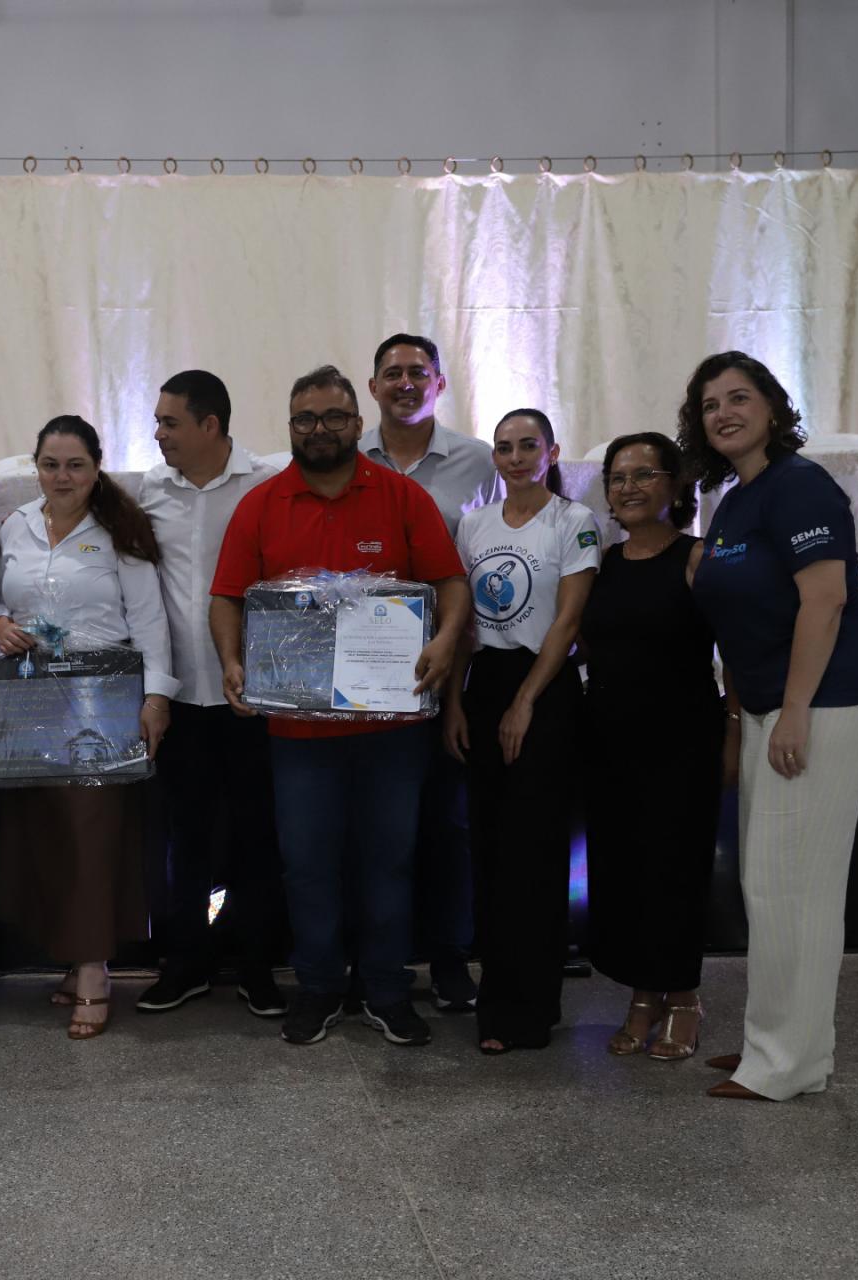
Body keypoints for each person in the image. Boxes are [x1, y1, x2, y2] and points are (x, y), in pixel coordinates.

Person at [209, 365, 470, 1048]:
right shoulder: (261, 504)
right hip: (297, 729)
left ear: (358, 423)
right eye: (306, 419)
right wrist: (232, 660)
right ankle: (319, 985)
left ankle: (387, 988)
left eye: (332, 416)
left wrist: (445, 640)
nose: (319, 429)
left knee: (390, 860)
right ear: (290, 427)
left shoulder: (402, 496)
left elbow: (449, 582)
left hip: (392, 726)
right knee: (307, 864)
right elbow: (227, 596)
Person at [680, 352, 858, 1102]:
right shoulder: (737, 498)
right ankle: (778, 1043)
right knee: (769, 883)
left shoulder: (800, 485)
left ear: (772, 407)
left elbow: (825, 599)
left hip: (826, 701)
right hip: (773, 704)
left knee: (796, 887)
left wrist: (796, 709)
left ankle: (787, 1063)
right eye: (710, 404)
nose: (724, 413)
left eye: (739, 397)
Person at [0, 415, 176, 1039]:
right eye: (51, 465)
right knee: (47, 836)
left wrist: (157, 699)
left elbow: (149, 621)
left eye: (75, 465)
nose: (62, 477)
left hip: (102, 700)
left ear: (97, 467)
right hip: (30, 701)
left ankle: (95, 969)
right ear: (36, 467)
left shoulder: (120, 528)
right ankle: (73, 957)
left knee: (93, 836)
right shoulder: (16, 525)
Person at [443, 409, 600, 1054]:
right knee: (489, 847)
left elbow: (568, 621)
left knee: (534, 852)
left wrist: (526, 701)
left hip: (546, 687)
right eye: (504, 448)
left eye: (528, 445)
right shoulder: (474, 525)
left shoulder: (574, 521)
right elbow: (464, 625)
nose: (515, 457)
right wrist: (455, 703)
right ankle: (495, 1005)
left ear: (551, 452)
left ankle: (532, 1008)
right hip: (485, 684)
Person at [135, 370, 288, 1018]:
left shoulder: (266, 485)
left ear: (210, 425)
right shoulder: (151, 490)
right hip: (180, 696)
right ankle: (187, 963)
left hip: (252, 696)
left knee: (257, 835)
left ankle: (257, 966)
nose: (158, 434)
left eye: (169, 422)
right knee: (186, 837)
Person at [360, 333, 501, 1012]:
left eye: (419, 372)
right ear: (373, 387)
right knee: (371, 829)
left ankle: (449, 958)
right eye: (393, 373)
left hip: (451, 665)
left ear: (440, 384)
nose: (405, 383)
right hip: (361, 675)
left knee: (446, 825)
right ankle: (373, 961)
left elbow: (492, 553)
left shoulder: (479, 462)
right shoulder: (347, 458)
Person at [579, 431, 725, 1060]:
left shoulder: (698, 557)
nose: (628, 487)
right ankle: (643, 992)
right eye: (617, 477)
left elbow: (736, 649)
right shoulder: (603, 563)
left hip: (682, 739)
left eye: (643, 474)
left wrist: (735, 733)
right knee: (624, 870)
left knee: (675, 869)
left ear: (675, 485)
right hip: (611, 737)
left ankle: (683, 995)